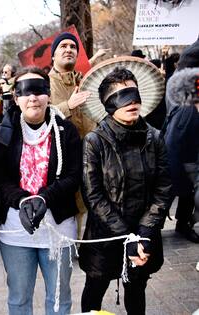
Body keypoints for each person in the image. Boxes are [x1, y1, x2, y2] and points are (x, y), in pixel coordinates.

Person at [79, 67, 171, 315]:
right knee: (94, 292)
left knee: (137, 290)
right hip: (105, 236)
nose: (132, 101)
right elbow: (93, 196)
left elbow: (163, 188)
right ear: (109, 104)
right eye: (122, 95)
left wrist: (145, 231)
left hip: (144, 235)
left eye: (135, 93)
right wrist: (125, 237)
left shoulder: (155, 137)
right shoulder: (95, 141)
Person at [0, 67, 81, 315]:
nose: (32, 97)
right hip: (15, 231)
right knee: (19, 297)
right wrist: (21, 200)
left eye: (38, 90)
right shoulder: (5, 132)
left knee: (59, 297)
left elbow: (74, 176)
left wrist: (45, 197)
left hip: (58, 230)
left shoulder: (67, 131)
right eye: (24, 91)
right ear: (16, 97)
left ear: (49, 95)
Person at [49, 32, 96, 240]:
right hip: (62, 159)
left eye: (73, 46)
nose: (69, 49)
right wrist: (68, 106)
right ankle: (71, 245)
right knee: (70, 205)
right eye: (63, 46)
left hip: (90, 153)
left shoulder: (87, 81)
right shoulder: (45, 82)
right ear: (53, 55)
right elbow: (40, 115)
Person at [164, 64, 199, 243]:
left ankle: (183, 224)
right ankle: (152, 228)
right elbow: (175, 142)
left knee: (187, 193)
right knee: (170, 192)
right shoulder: (187, 110)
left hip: (188, 158)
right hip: (180, 160)